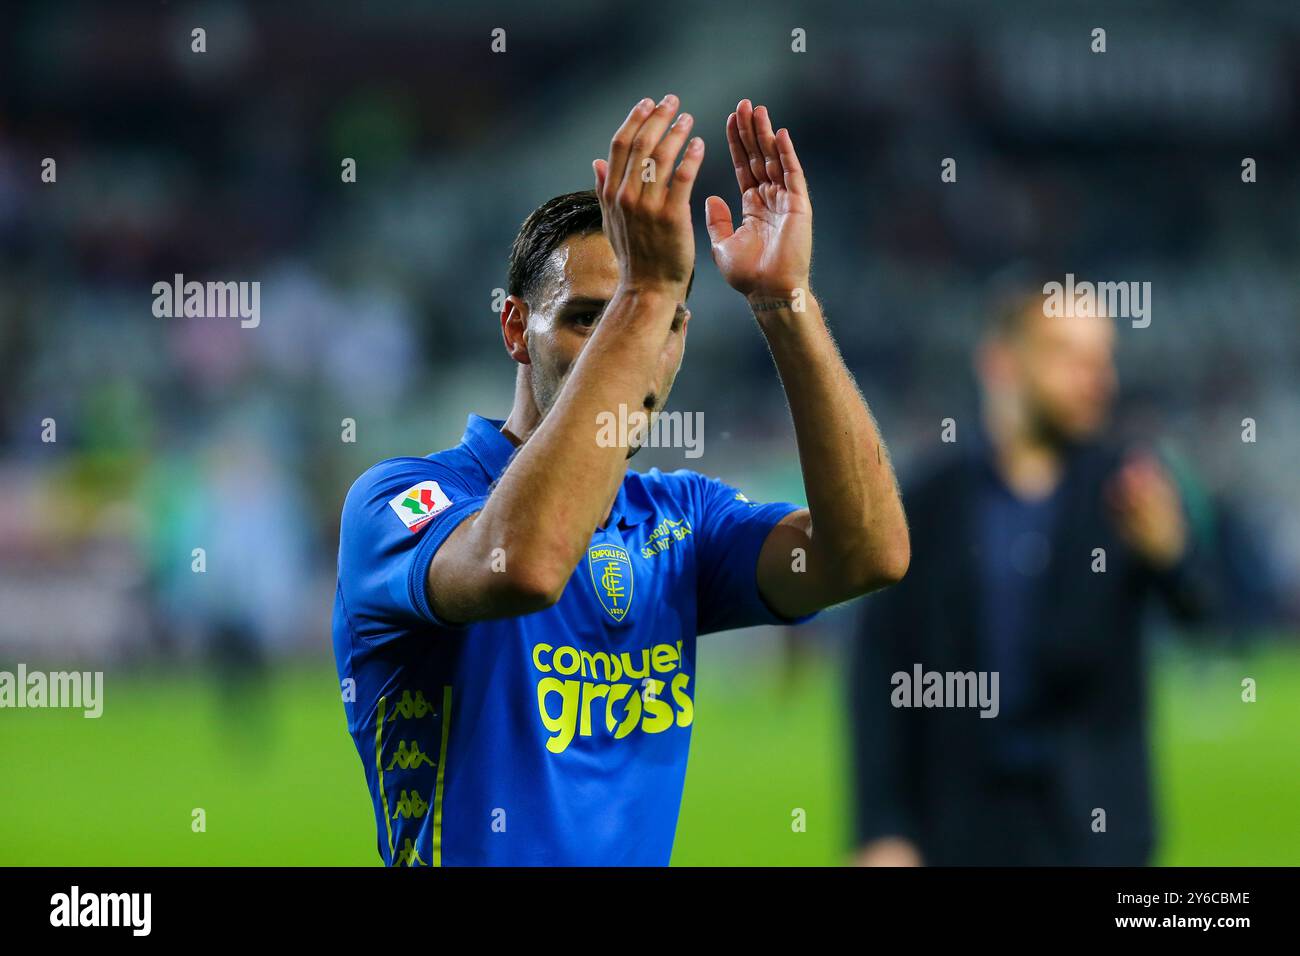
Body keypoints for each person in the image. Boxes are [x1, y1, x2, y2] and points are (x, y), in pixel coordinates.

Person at [331, 95, 910, 865]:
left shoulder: (682, 519)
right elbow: (529, 563)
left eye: (658, 326)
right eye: (586, 319)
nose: (631, 351)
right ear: (514, 329)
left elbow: (868, 555)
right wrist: (645, 296)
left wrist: (784, 304)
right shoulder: (403, 501)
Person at [849, 288, 1216, 866]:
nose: (1099, 380)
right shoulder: (926, 504)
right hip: (961, 833)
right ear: (1002, 362)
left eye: (1103, 359)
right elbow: (880, 672)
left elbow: (1207, 616)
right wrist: (882, 829)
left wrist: (1171, 556)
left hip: (1100, 838)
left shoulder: (1130, 489)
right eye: (1071, 357)